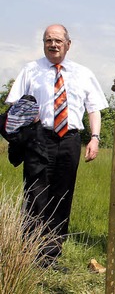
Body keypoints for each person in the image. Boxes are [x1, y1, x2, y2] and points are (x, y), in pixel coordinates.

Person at [6, 24, 108, 268]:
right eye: (48, 40)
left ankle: (50, 255)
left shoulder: (83, 73)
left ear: (68, 44)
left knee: (62, 195)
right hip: (38, 138)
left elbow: (93, 108)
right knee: (35, 194)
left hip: (70, 139)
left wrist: (94, 138)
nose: (53, 45)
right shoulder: (31, 70)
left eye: (58, 41)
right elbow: (14, 106)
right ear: (43, 43)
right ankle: (29, 252)